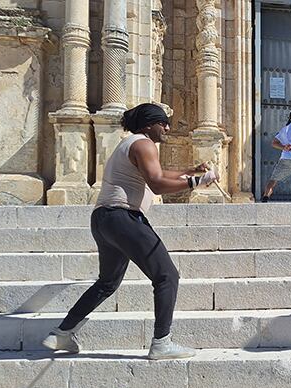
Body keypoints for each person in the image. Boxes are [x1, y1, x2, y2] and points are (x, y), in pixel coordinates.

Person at [41, 103, 217, 360]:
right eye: (163, 123)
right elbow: (157, 184)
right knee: (167, 275)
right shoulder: (144, 144)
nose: (167, 128)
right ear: (149, 125)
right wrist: (196, 181)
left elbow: (158, 173)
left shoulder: (131, 143)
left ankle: (61, 333)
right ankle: (162, 343)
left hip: (104, 219)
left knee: (107, 283)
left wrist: (188, 171)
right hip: (123, 217)